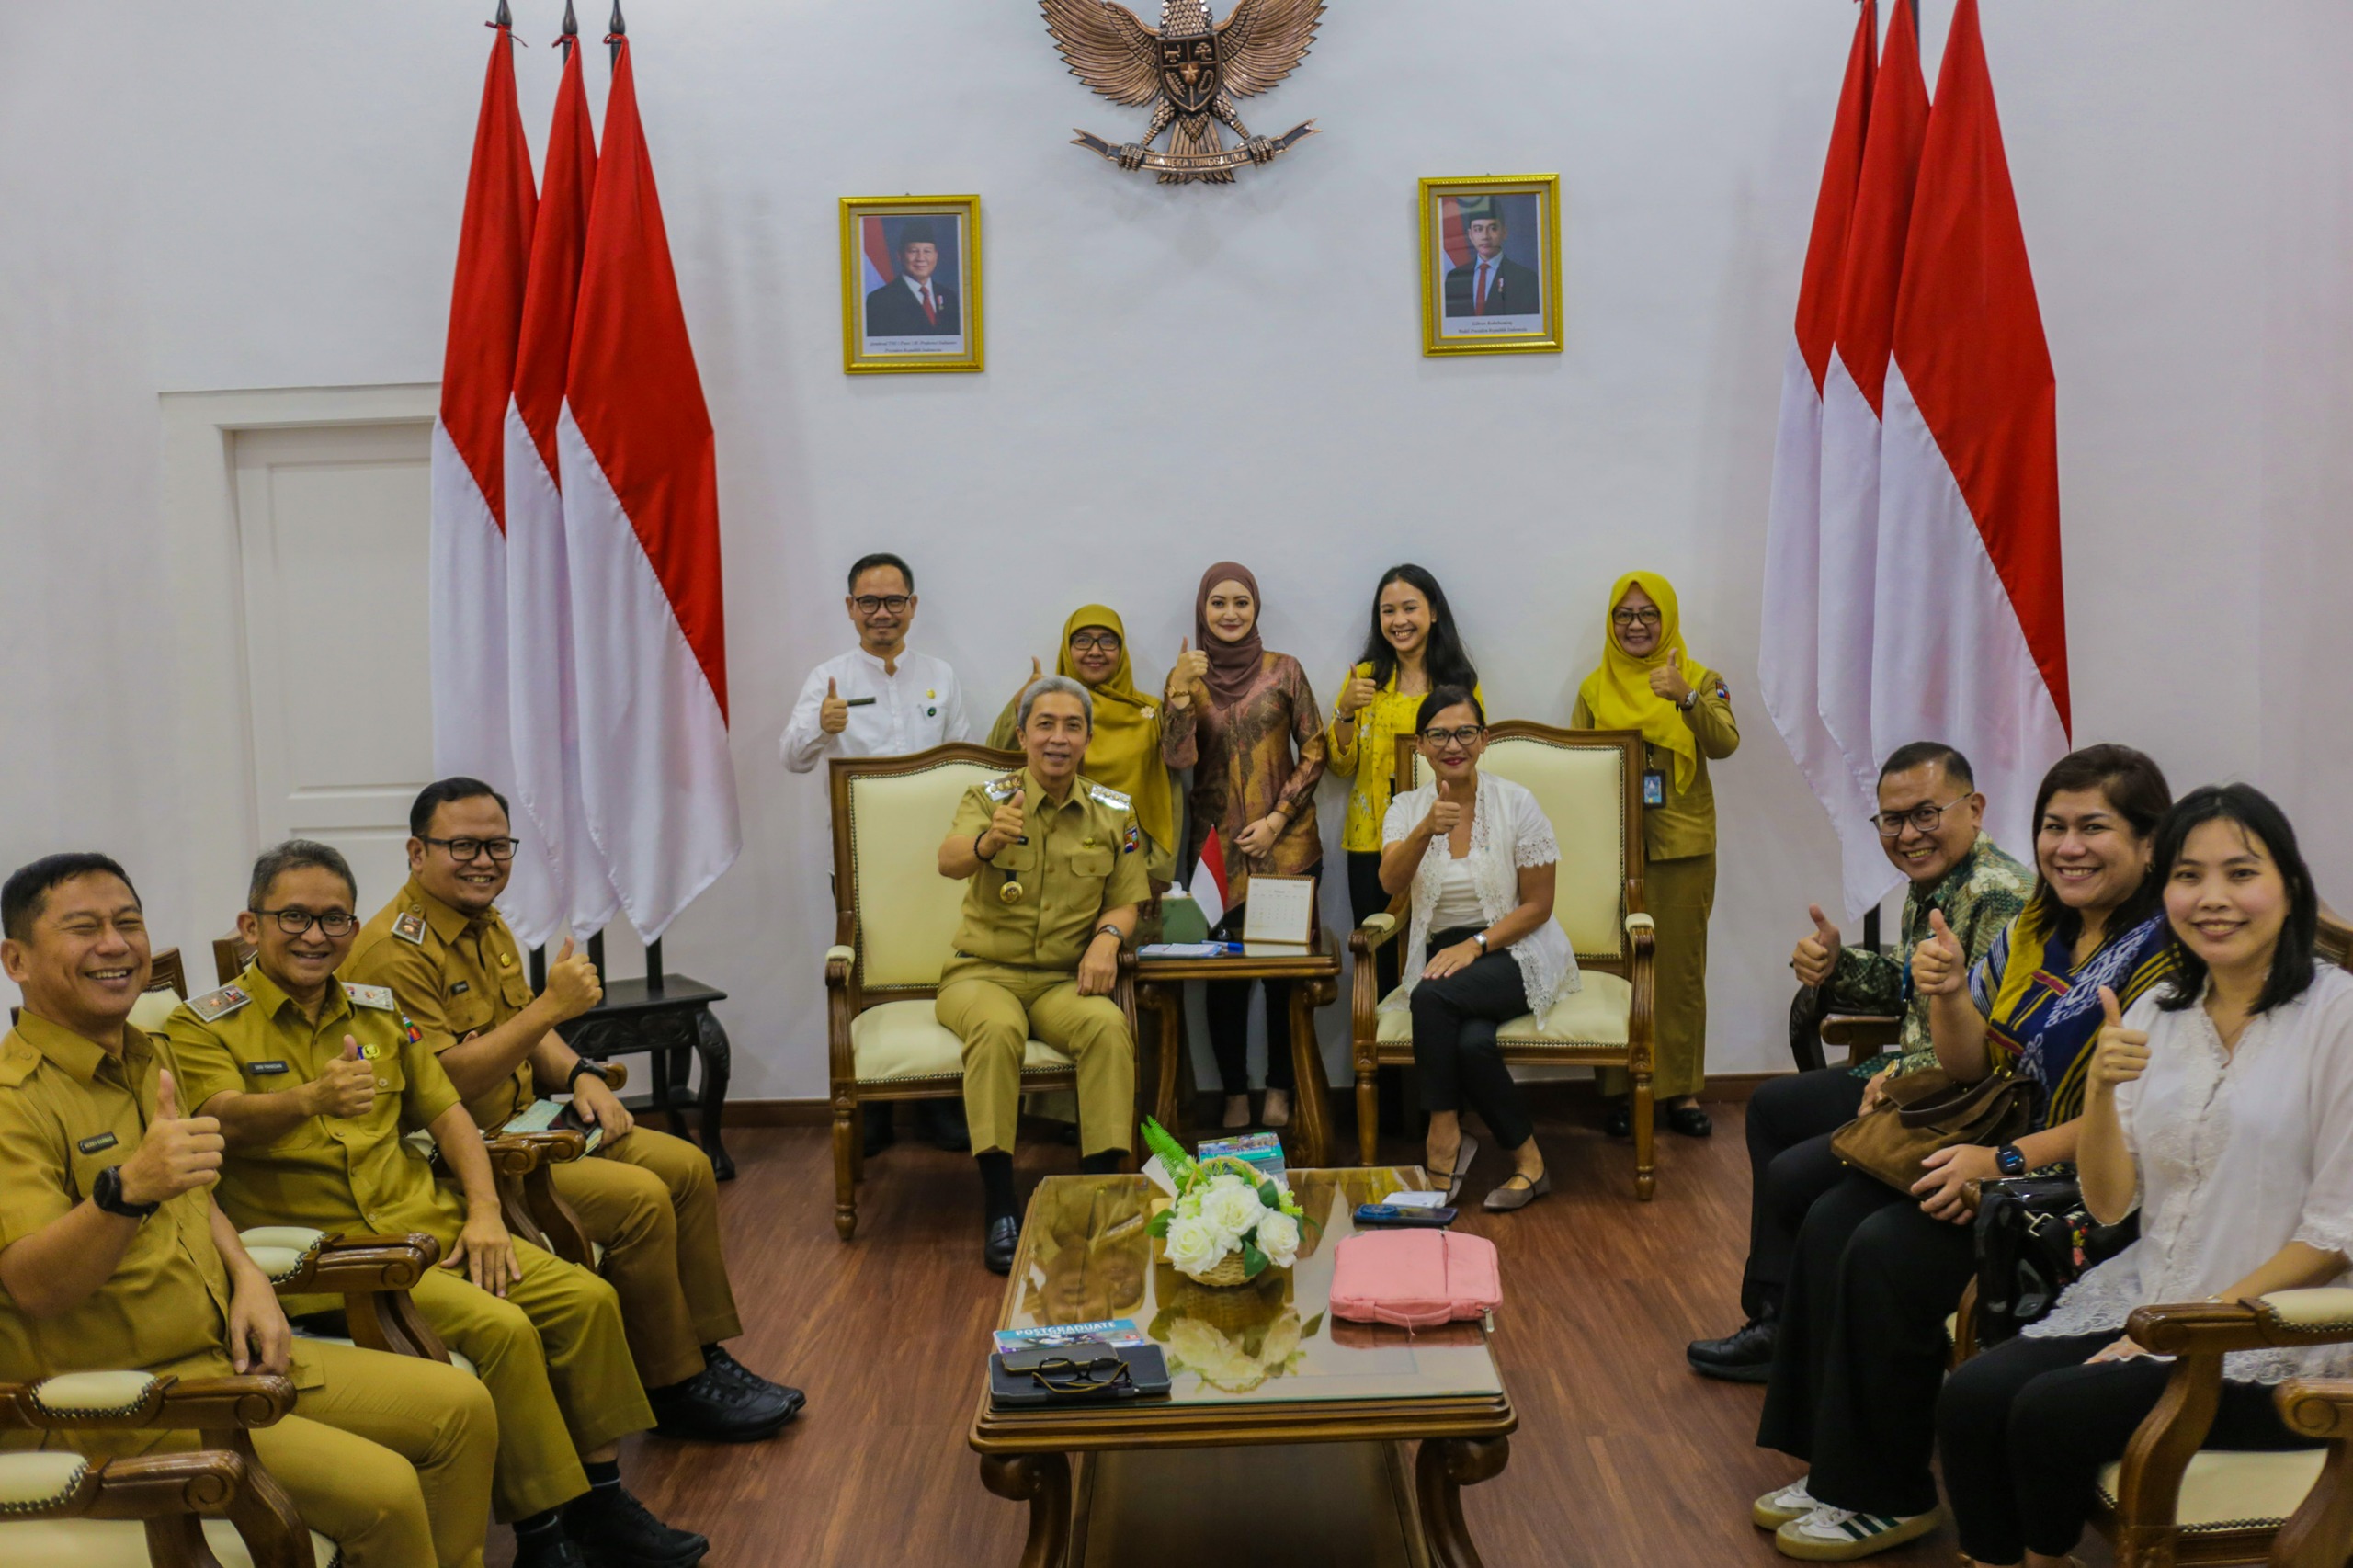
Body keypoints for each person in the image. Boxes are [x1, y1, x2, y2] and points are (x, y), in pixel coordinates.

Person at [170, 840, 705, 1568]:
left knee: (585, 1299)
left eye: (334, 919)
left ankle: (602, 1503)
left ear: (352, 927)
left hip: (428, 1226)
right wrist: (309, 1099)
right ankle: (544, 1537)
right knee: (505, 1329)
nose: (315, 935)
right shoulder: (201, 1026)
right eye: (293, 917)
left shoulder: (376, 1010)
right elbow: (220, 1118)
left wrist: (484, 1211)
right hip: (334, 1258)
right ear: (249, 925)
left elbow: (449, 1113)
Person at [0, 853, 500, 1568]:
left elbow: (194, 1193)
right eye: (83, 928)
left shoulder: (147, 1054)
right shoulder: (13, 1099)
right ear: (15, 959)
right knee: (386, 1491)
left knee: (462, 1408)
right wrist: (127, 1190)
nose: (114, 944)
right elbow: (35, 1286)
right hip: (124, 1400)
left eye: (128, 923)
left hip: (224, 1356)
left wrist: (246, 1272)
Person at [1755, 744, 2177, 1562]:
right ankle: (1837, 1470)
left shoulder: (2165, 956)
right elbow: (1969, 1063)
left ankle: (1888, 1496)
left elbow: (2136, 1121)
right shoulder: (2037, 927)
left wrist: (2001, 1166)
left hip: (2089, 1190)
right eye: (2054, 826)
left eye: (2094, 828)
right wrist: (1949, 993)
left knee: (1886, 1249)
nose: (2068, 847)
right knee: (1834, 1216)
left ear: (2150, 842)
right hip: (2000, 1150)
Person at [1937, 784, 2350, 1568]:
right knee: (1972, 1397)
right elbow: (2108, 1201)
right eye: (2189, 876)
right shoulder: (2160, 1008)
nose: (2212, 898)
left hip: (2289, 1340)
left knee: (2049, 1414)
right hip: (2156, 1297)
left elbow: (2334, 1239)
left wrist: (2192, 1325)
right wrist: (2101, 1089)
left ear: (2290, 887)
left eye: (2241, 873)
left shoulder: (2339, 1018)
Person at [344, 779, 801, 1443]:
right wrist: (549, 1008)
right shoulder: (394, 951)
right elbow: (443, 1084)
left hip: (535, 1123)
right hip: (470, 1153)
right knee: (642, 1200)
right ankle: (673, 1385)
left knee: (688, 1167)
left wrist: (582, 1073)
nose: (484, 861)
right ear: (418, 853)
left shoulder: (483, 921)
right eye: (463, 846)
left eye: (497, 846)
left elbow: (527, 1031)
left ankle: (702, 1356)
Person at [1688, 742, 2032, 1382]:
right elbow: (1911, 986)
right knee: (1771, 1107)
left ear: (1974, 808)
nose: (1909, 835)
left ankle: (1792, 1328)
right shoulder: (1937, 883)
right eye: (1892, 820)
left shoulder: (1999, 896)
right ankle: (1778, 1314)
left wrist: (1899, 1075)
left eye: (1926, 814)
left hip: (1959, 1103)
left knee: (1794, 1174)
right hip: (1908, 1078)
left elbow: (1993, 1042)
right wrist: (1835, 964)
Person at [936, 676, 1148, 1272]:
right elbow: (948, 860)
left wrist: (1106, 941)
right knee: (996, 1030)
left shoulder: (1115, 811)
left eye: (1072, 726)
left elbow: (1126, 901)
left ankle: (1097, 1195)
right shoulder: (989, 797)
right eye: (1046, 725)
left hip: (1062, 981)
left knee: (1108, 1028)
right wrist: (986, 842)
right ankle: (1001, 1205)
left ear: (1087, 738)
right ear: (1023, 733)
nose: (1058, 738)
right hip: (982, 975)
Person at [779, 551, 970, 1152]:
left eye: (893, 601)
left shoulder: (941, 675)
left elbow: (962, 762)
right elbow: (792, 757)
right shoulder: (828, 678)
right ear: (850, 608)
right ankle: (872, 1111)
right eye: (869, 602)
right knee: (862, 977)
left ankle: (940, 1103)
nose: (881, 613)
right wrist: (822, 725)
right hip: (859, 862)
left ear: (912, 606)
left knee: (940, 973)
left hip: (937, 860)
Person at [1379, 688, 1576, 1211]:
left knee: (1430, 997)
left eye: (1465, 732)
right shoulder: (1405, 808)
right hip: (1446, 956)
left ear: (1484, 740)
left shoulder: (1517, 803)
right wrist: (1426, 828)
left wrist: (1477, 944)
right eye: (1439, 734)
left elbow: (1539, 906)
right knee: (1470, 1045)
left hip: (1517, 947)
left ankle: (1442, 1135)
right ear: (1421, 745)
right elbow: (1390, 883)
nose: (1453, 745)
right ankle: (1531, 1164)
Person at [1162, 562, 1327, 1131]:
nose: (1230, 613)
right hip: (1216, 856)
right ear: (1202, 610)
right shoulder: (1185, 677)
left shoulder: (1286, 670)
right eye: (1218, 603)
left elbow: (1315, 749)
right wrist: (1178, 694)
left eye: (1241, 602)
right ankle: (1234, 1090)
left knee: (1284, 979)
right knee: (1223, 981)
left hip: (1287, 850)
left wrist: (1279, 818)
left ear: (1256, 609)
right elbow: (1177, 759)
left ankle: (1280, 1087)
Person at [1572, 571, 1737, 1139]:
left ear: (1666, 620)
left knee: (1679, 974)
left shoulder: (1701, 679)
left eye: (1648, 614)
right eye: (1624, 615)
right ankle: (1624, 1090)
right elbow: (1577, 767)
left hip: (1682, 847)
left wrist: (1685, 698)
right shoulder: (1594, 689)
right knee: (1618, 970)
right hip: (1613, 851)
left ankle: (1682, 1092)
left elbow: (1725, 743)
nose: (1636, 625)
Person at [1327, 564, 1482, 1008]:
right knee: (1378, 958)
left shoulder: (1459, 683)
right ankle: (1380, 1051)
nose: (1399, 620)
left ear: (1433, 612)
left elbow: (1474, 755)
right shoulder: (1365, 678)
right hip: (1372, 841)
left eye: (1410, 608)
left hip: (1445, 836)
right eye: (1388, 611)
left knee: (1439, 954)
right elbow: (1341, 766)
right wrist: (1344, 712)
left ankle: (1434, 1043)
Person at [988, 605, 1179, 888]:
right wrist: (1019, 705)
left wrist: (1159, 869)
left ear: (1121, 650)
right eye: (1082, 640)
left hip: (1132, 858)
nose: (1095, 651)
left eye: (1107, 641)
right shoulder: (1047, 710)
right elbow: (994, 764)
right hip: (1055, 855)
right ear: (1067, 649)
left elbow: (1168, 793)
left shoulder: (1148, 712)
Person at [864, 219, 961, 338]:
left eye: (927, 251)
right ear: (900, 256)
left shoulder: (949, 297)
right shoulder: (879, 300)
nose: (921, 258)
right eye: (913, 251)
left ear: (936, 256)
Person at [1443, 201, 1541, 319]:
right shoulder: (1454, 278)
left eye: (1493, 228)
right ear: (1470, 235)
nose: (1485, 236)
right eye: (1478, 229)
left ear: (1504, 232)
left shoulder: (1527, 279)